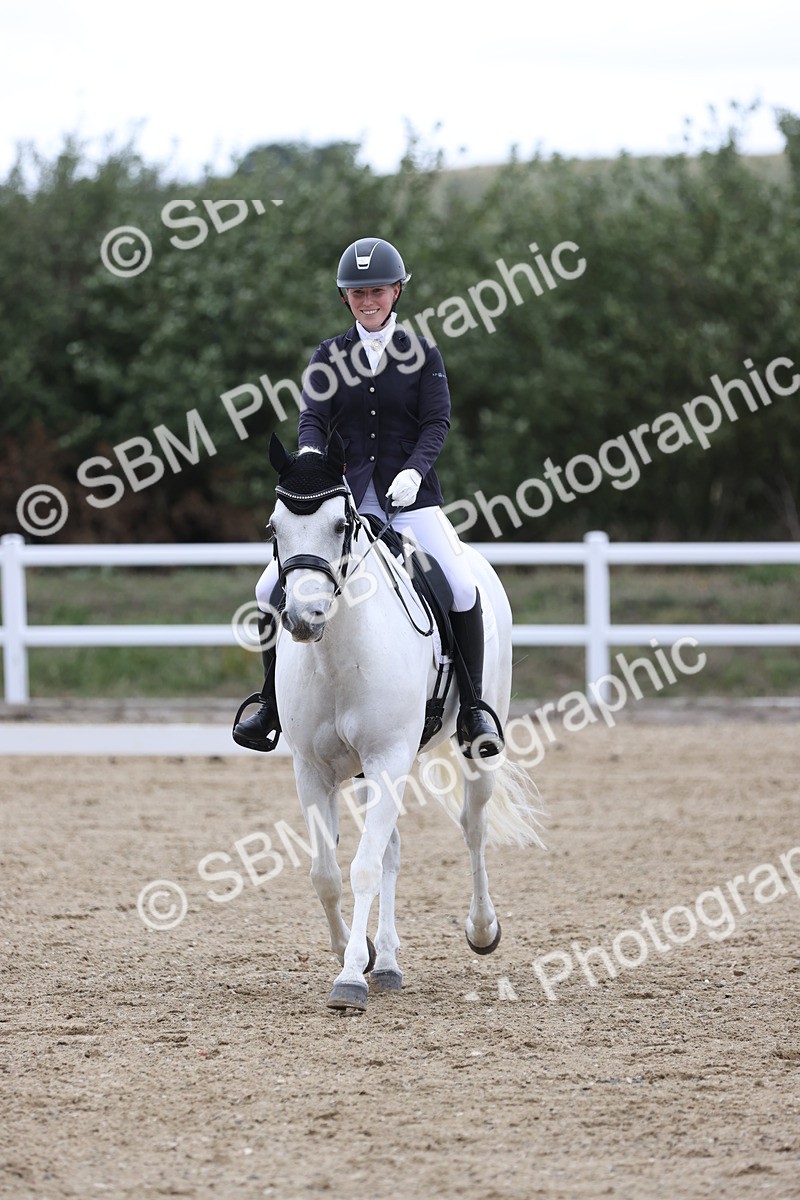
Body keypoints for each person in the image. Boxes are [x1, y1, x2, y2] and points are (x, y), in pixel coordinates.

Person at [233, 236, 503, 759]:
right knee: (270, 588)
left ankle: (471, 710)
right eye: (356, 293)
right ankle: (270, 703)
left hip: (413, 499)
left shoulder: (422, 353)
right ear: (345, 299)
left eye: (376, 291)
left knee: (463, 588)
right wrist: (310, 454)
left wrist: (414, 471)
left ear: (396, 291)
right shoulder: (329, 355)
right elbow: (312, 414)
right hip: (346, 500)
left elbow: (436, 421)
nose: (367, 301)